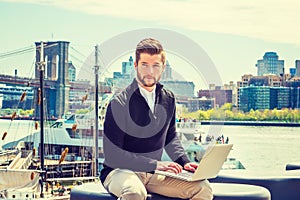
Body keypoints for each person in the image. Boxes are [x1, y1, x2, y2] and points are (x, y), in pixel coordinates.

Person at [100, 38, 213, 200]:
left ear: (163, 68)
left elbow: (170, 137)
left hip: (153, 173)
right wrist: (156, 165)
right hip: (119, 171)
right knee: (134, 193)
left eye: (155, 65)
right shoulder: (119, 103)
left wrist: (184, 162)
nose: (150, 71)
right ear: (136, 66)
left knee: (203, 188)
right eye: (144, 65)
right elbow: (113, 155)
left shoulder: (168, 99)